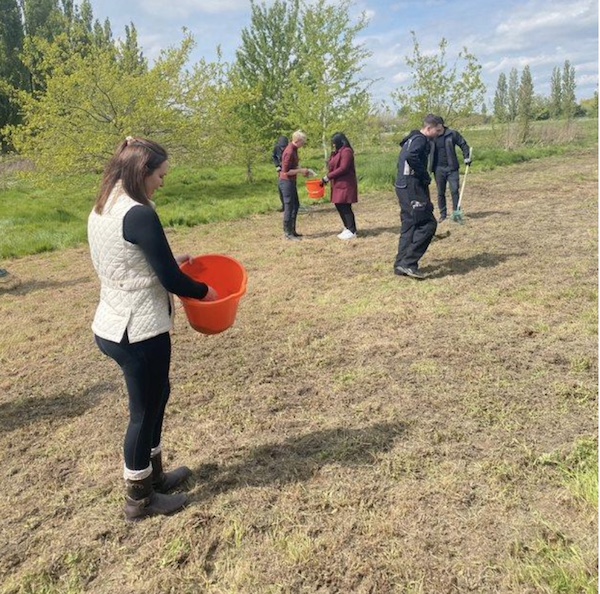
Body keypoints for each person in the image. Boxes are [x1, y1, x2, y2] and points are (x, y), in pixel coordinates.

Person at [87, 137, 218, 521]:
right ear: (142, 172)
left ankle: (155, 476)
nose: (163, 182)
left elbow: (127, 260)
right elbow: (171, 280)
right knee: (143, 411)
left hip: (113, 322)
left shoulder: (105, 206)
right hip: (137, 329)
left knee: (159, 394)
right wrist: (204, 291)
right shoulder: (139, 213)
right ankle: (138, 498)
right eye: (160, 175)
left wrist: (167, 261)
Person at [394, 114, 445, 279]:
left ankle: (400, 264)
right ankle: (408, 263)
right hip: (411, 187)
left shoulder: (412, 138)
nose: (438, 134)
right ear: (429, 128)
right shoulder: (420, 140)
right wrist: (424, 175)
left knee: (409, 225)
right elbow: (410, 157)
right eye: (437, 130)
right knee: (428, 224)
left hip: (403, 186)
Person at [431, 118, 472, 222]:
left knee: (454, 190)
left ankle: (456, 213)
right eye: (433, 126)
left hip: (452, 167)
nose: (436, 128)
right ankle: (443, 214)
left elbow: (463, 144)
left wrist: (467, 157)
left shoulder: (452, 134)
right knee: (441, 192)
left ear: (441, 125)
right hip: (438, 168)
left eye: (437, 126)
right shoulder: (432, 137)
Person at [321, 132, 359, 240]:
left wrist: (328, 176)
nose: (333, 145)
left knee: (345, 206)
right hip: (337, 183)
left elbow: (343, 168)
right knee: (338, 204)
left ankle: (352, 230)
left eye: (334, 143)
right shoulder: (337, 152)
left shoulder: (347, 151)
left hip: (345, 183)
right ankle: (347, 227)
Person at [278, 130, 310, 241]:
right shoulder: (289, 151)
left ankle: (292, 230)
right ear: (297, 140)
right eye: (303, 142)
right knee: (289, 206)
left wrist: (303, 171)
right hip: (286, 182)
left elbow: (295, 165)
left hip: (292, 181)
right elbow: (286, 171)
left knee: (296, 205)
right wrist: (300, 171)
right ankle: (287, 233)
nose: (303, 144)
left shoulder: (295, 150)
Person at [272, 135, 289, 212]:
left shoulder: (290, 149)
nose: (283, 148)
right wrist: (277, 166)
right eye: (281, 147)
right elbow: (274, 157)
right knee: (280, 188)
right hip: (280, 170)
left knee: (288, 189)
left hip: (289, 171)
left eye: (284, 146)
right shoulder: (276, 148)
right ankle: (284, 206)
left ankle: (290, 205)